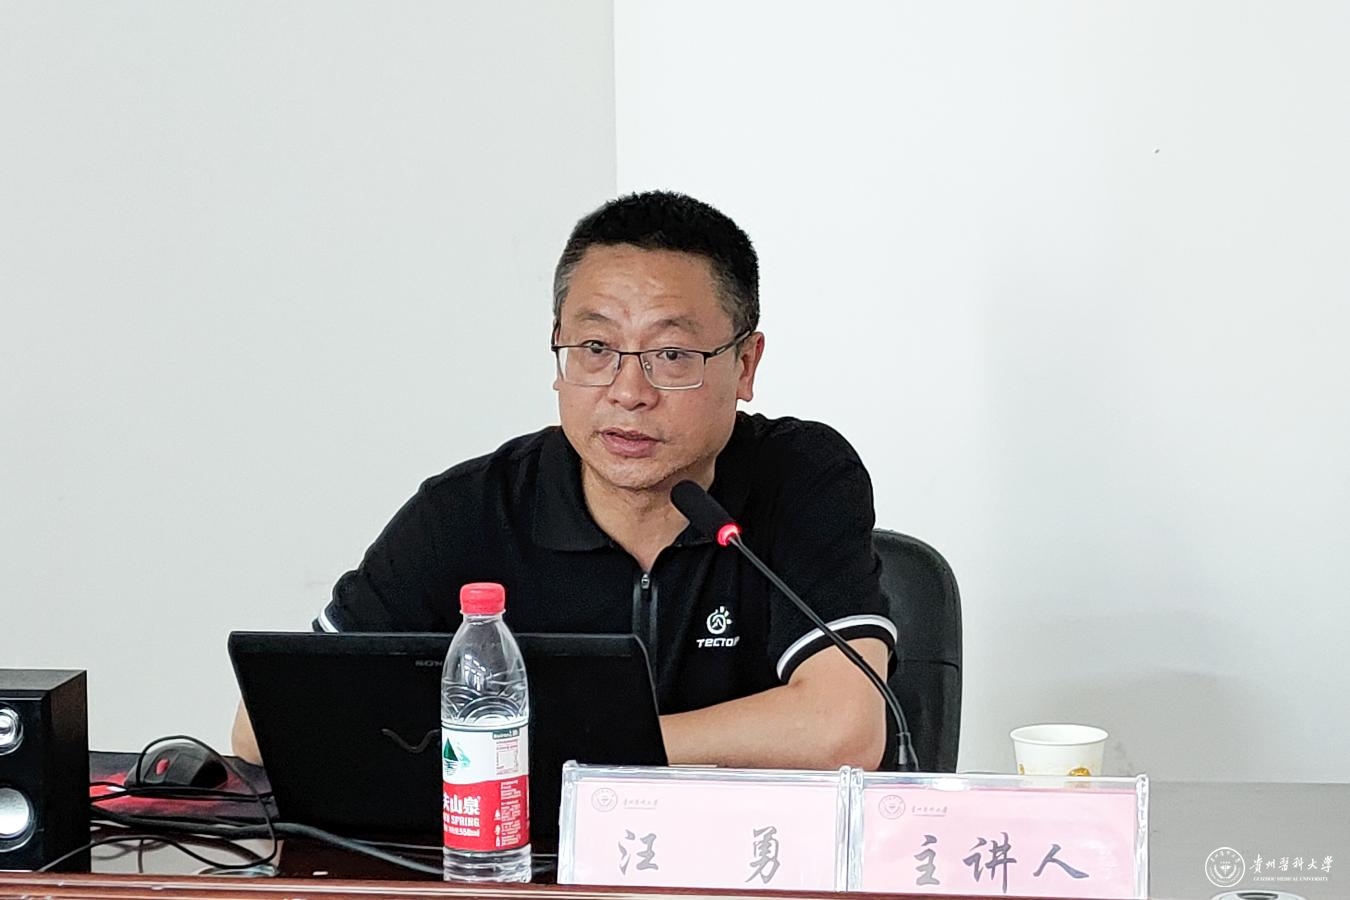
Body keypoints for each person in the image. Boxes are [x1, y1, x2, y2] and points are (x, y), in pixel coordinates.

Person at [232, 191, 895, 769]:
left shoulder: (801, 476)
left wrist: (561, 748)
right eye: (596, 349)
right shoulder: (469, 510)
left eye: (671, 354)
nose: (628, 392)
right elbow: (265, 727)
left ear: (745, 365)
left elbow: (844, 728)